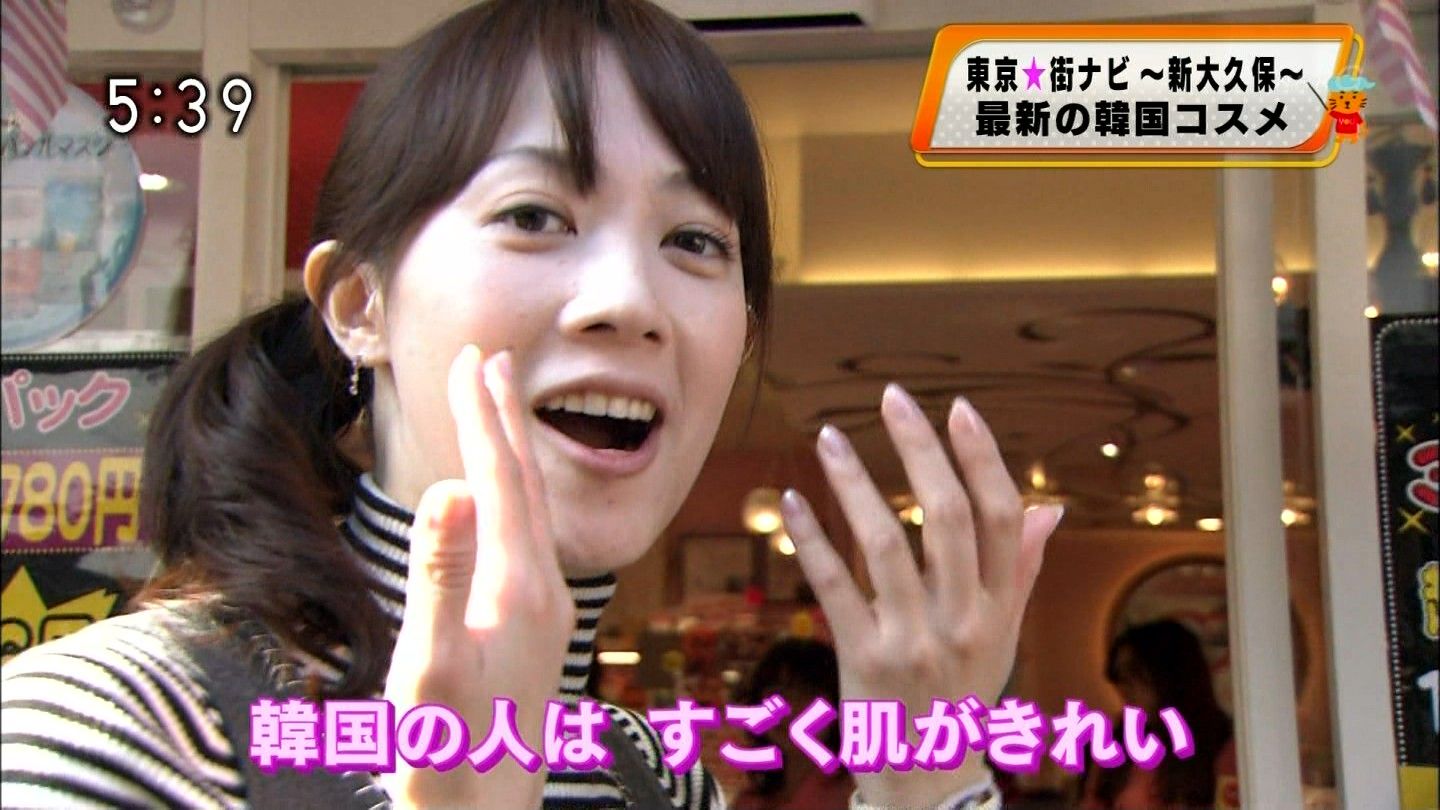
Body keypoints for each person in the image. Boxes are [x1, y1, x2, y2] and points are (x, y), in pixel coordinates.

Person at [0, 1, 1064, 807]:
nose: (629, 301)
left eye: (695, 240)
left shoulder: (648, 775)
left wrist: (928, 781)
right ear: (360, 305)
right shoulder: (111, 728)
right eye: (535, 216)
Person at [1080, 620, 1236, 810]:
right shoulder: (1116, 745)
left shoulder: (1221, 746)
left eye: (1134, 675)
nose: (1125, 689)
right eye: (1120, 677)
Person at [733, 639, 853, 810]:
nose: (788, 707)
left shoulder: (855, 796)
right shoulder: (748, 802)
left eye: (807, 693)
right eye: (777, 692)